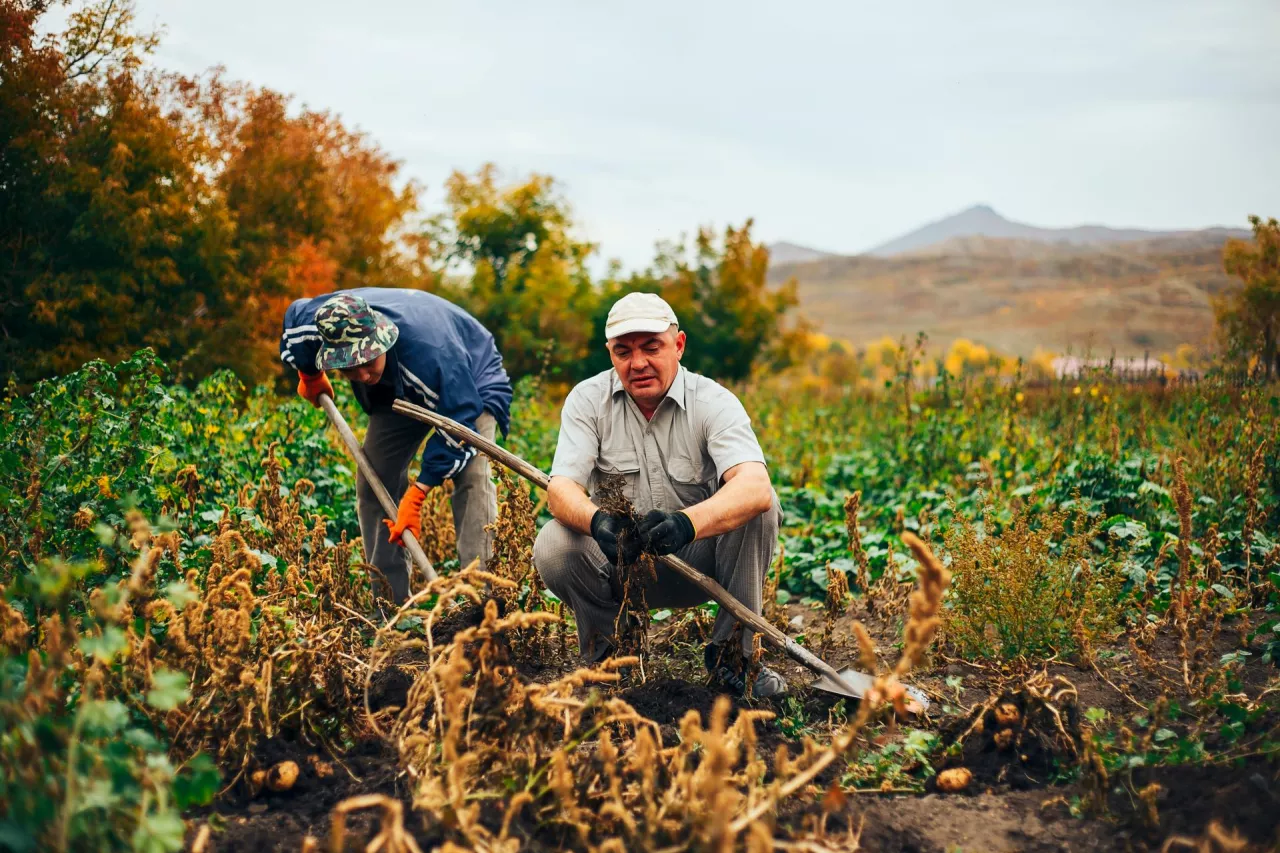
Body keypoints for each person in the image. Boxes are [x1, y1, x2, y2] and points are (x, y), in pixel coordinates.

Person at [533, 292, 786, 697]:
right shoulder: (587, 400)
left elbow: (755, 486)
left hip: (702, 564)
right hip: (622, 560)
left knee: (761, 509)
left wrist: (686, 524)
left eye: (652, 348)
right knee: (554, 543)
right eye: (623, 351)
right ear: (609, 353)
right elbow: (560, 490)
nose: (637, 364)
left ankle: (733, 658)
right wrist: (599, 522)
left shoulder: (713, 402)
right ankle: (612, 656)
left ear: (679, 345)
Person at [280, 288, 512, 603]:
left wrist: (418, 494)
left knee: (472, 478)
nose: (361, 374)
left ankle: (483, 602)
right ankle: (390, 603)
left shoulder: (434, 356)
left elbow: (460, 422)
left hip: (472, 379)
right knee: (374, 480)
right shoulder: (315, 325)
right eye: (348, 368)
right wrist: (310, 375)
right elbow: (294, 324)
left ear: (381, 340)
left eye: (367, 360)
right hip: (398, 390)